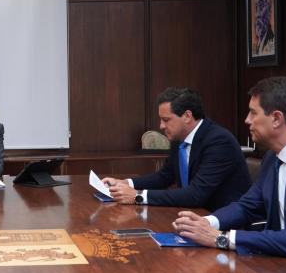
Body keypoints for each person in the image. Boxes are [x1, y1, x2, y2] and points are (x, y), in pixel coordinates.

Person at [174, 77, 286, 260]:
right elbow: (248, 206)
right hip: (279, 264)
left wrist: (223, 238)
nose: (247, 120)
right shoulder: (272, 157)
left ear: (277, 119)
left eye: (253, 113)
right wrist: (206, 223)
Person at [102, 87, 251, 211]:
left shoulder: (218, 141)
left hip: (222, 221)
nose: (161, 126)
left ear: (187, 116)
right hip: (191, 215)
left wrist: (138, 195)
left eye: (166, 120)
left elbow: (196, 194)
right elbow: (164, 177)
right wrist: (125, 183)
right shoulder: (179, 138)